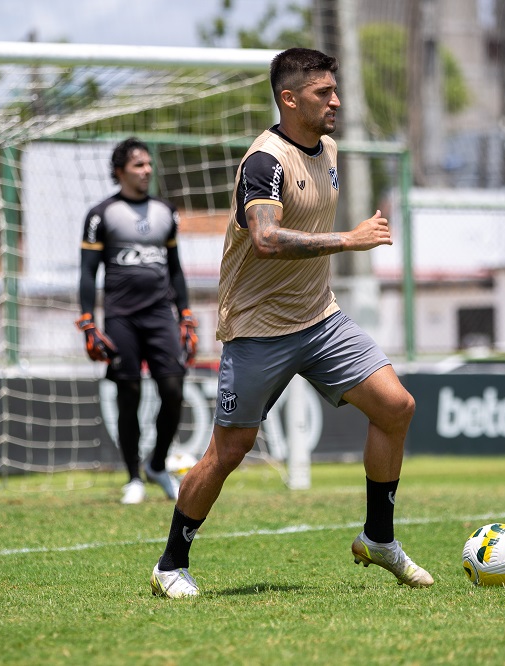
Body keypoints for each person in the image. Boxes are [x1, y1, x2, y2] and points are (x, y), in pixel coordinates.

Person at [149, 47, 433, 598]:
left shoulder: (327, 148)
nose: (336, 101)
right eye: (323, 92)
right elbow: (265, 239)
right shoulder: (264, 162)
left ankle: (378, 537)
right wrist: (348, 239)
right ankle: (170, 563)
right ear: (289, 98)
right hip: (257, 329)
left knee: (396, 406)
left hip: (320, 319)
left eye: (334, 90)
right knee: (227, 453)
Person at [77, 137, 199, 505]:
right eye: (138, 165)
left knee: (174, 390)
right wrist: (87, 321)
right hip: (121, 318)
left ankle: (158, 464)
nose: (147, 170)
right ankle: (133, 477)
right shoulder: (101, 215)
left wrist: (186, 313)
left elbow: (176, 270)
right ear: (120, 172)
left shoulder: (166, 212)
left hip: (161, 314)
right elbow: (87, 273)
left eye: (148, 164)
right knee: (128, 395)